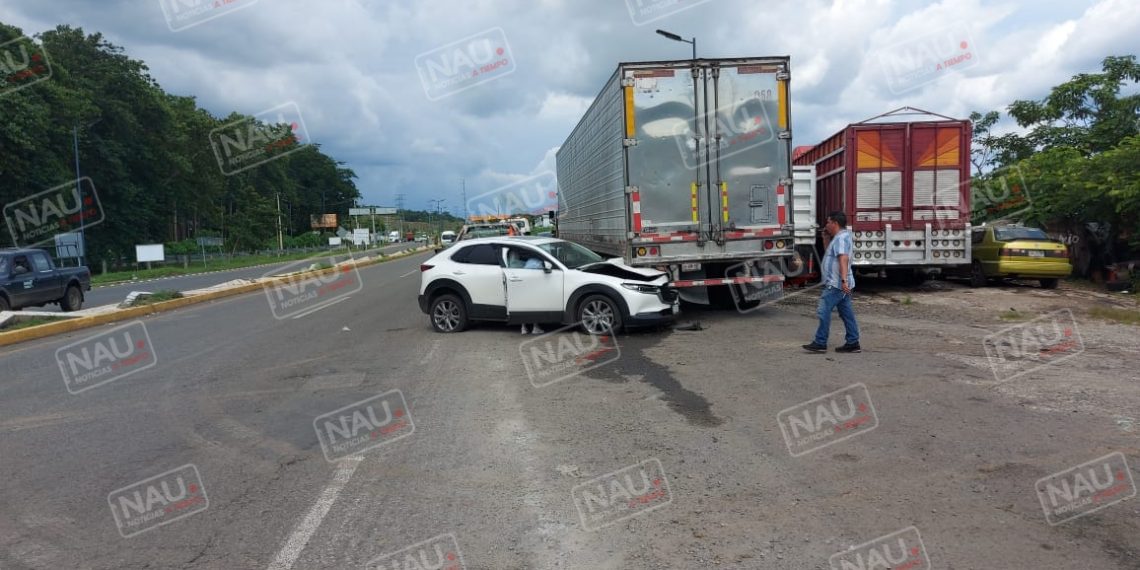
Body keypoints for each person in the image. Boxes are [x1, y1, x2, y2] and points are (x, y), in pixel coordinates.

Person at [803, 211, 861, 353]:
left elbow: (843, 259)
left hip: (836, 284)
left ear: (835, 223)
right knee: (846, 313)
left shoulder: (841, 238)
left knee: (823, 311)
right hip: (839, 283)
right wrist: (825, 239)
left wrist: (843, 280)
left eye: (828, 222)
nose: (826, 225)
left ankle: (820, 342)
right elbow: (831, 254)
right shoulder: (839, 238)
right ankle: (853, 342)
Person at [518, 253, 545, 335]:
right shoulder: (539, 262)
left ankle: (523, 328)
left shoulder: (527, 262)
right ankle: (535, 327)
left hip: (524, 284)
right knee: (535, 306)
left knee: (524, 306)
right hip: (534, 285)